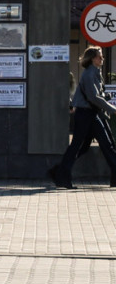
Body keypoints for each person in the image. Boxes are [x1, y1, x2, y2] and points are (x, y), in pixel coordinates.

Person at [49, 47, 116, 189]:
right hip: (86, 114)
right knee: (101, 144)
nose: (102, 58)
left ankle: (59, 172)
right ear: (92, 58)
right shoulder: (90, 73)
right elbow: (93, 96)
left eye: (102, 56)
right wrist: (111, 108)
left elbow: (97, 94)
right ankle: (60, 175)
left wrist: (106, 97)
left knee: (86, 146)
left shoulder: (95, 72)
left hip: (90, 113)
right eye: (99, 56)